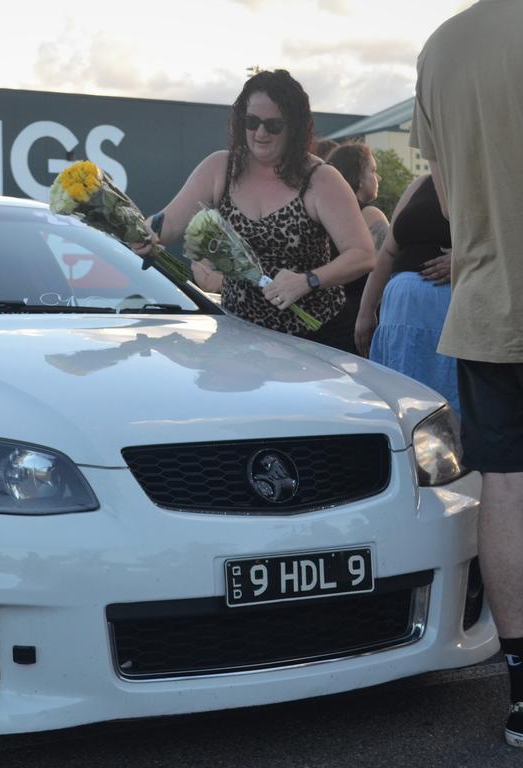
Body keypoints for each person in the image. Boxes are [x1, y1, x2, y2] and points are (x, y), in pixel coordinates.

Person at [412, 0, 523, 748]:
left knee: (508, 485)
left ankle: (521, 690)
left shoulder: (444, 46)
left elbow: (448, 197)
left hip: (488, 305)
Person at [137, 69, 374, 348]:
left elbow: (363, 254)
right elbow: (168, 225)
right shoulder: (220, 168)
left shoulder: (320, 179)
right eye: (252, 122)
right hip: (240, 335)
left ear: (294, 127)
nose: (261, 133)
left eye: (274, 125)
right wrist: (137, 231)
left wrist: (307, 281)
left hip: (315, 338)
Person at [354, 173, 456, 409]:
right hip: (399, 316)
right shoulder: (423, 182)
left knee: (443, 412)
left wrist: (467, 259)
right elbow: (388, 251)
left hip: (446, 316)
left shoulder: (491, 175)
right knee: (402, 408)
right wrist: (366, 310)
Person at [323, 142, 389, 354]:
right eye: (373, 171)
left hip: (322, 317)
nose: (378, 178)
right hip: (356, 320)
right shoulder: (370, 215)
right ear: (358, 178)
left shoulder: (322, 214)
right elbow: (385, 267)